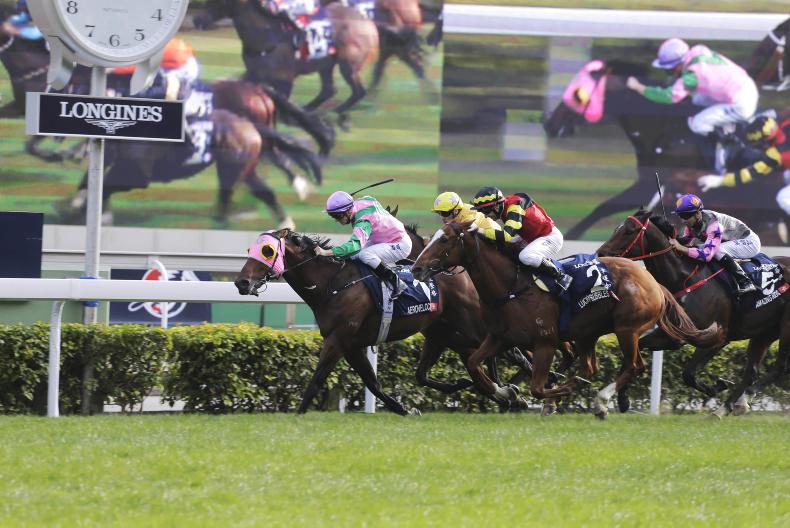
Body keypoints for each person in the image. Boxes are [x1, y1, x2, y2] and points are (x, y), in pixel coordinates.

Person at [626, 38, 758, 149]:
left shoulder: (691, 77)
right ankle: (727, 124)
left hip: (741, 105)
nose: (671, 73)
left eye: (670, 70)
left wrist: (638, 87)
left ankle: (729, 144)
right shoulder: (699, 51)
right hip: (747, 86)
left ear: (678, 65)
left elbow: (668, 96)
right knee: (697, 99)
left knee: (696, 124)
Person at [470, 186, 572, 291]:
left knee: (526, 256)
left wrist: (480, 230)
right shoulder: (506, 206)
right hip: (533, 238)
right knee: (504, 247)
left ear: (496, 206)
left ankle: (561, 276)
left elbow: (506, 235)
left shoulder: (515, 206)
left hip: (550, 237)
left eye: (486, 211)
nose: (485, 216)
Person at [315, 191, 412, 298]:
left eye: (337, 216)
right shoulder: (364, 200)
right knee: (353, 256)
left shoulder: (363, 222)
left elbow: (354, 246)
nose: (336, 220)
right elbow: (368, 198)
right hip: (384, 239)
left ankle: (397, 283)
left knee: (365, 255)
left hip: (400, 244)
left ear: (348, 211)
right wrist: (346, 200)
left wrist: (326, 252)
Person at [698, 115, 790, 216]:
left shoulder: (775, 155)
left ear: (764, 140)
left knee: (783, 198)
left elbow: (748, 174)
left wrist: (720, 181)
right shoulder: (786, 123)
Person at [670, 193, 759, 295]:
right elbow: (687, 244)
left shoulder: (714, 225)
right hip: (733, 242)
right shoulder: (691, 225)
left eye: (685, 216)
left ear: (697, 214)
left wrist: (680, 247)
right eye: (680, 216)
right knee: (699, 247)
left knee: (717, 250)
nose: (682, 221)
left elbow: (706, 255)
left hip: (750, 242)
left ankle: (745, 282)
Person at [431, 191, 502, 233]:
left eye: (444, 213)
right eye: (439, 213)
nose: (442, 217)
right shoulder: (458, 214)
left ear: (455, 211)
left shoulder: (468, 217)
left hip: (494, 239)